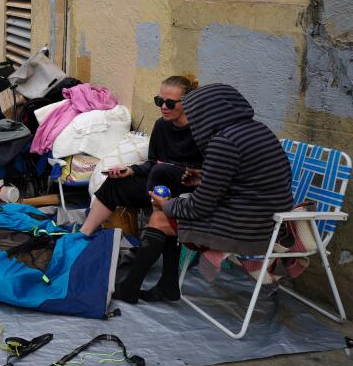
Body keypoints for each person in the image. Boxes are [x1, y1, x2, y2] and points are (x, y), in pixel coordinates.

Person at [77, 75, 203, 304]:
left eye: (170, 103)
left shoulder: (202, 132)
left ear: (188, 103)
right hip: (159, 185)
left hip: (187, 192)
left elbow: (207, 177)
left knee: (162, 209)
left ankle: (140, 285)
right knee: (117, 182)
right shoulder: (162, 126)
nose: (163, 107)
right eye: (159, 101)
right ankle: (82, 237)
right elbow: (153, 163)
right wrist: (131, 170)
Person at [149, 82, 295, 273]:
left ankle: (137, 286)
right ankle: (164, 286)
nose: (192, 119)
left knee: (161, 218)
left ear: (208, 113)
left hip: (252, 229)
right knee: (173, 210)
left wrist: (166, 204)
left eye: (194, 113)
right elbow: (251, 180)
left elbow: (200, 207)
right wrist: (205, 178)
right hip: (270, 218)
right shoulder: (258, 129)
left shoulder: (224, 141)